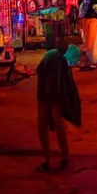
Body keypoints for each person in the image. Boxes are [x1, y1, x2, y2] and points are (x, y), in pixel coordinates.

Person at [35, 33, 82, 172]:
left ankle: (49, 160)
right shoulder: (58, 60)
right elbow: (53, 82)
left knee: (48, 124)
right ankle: (59, 158)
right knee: (51, 124)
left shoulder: (58, 57)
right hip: (47, 92)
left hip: (47, 92)